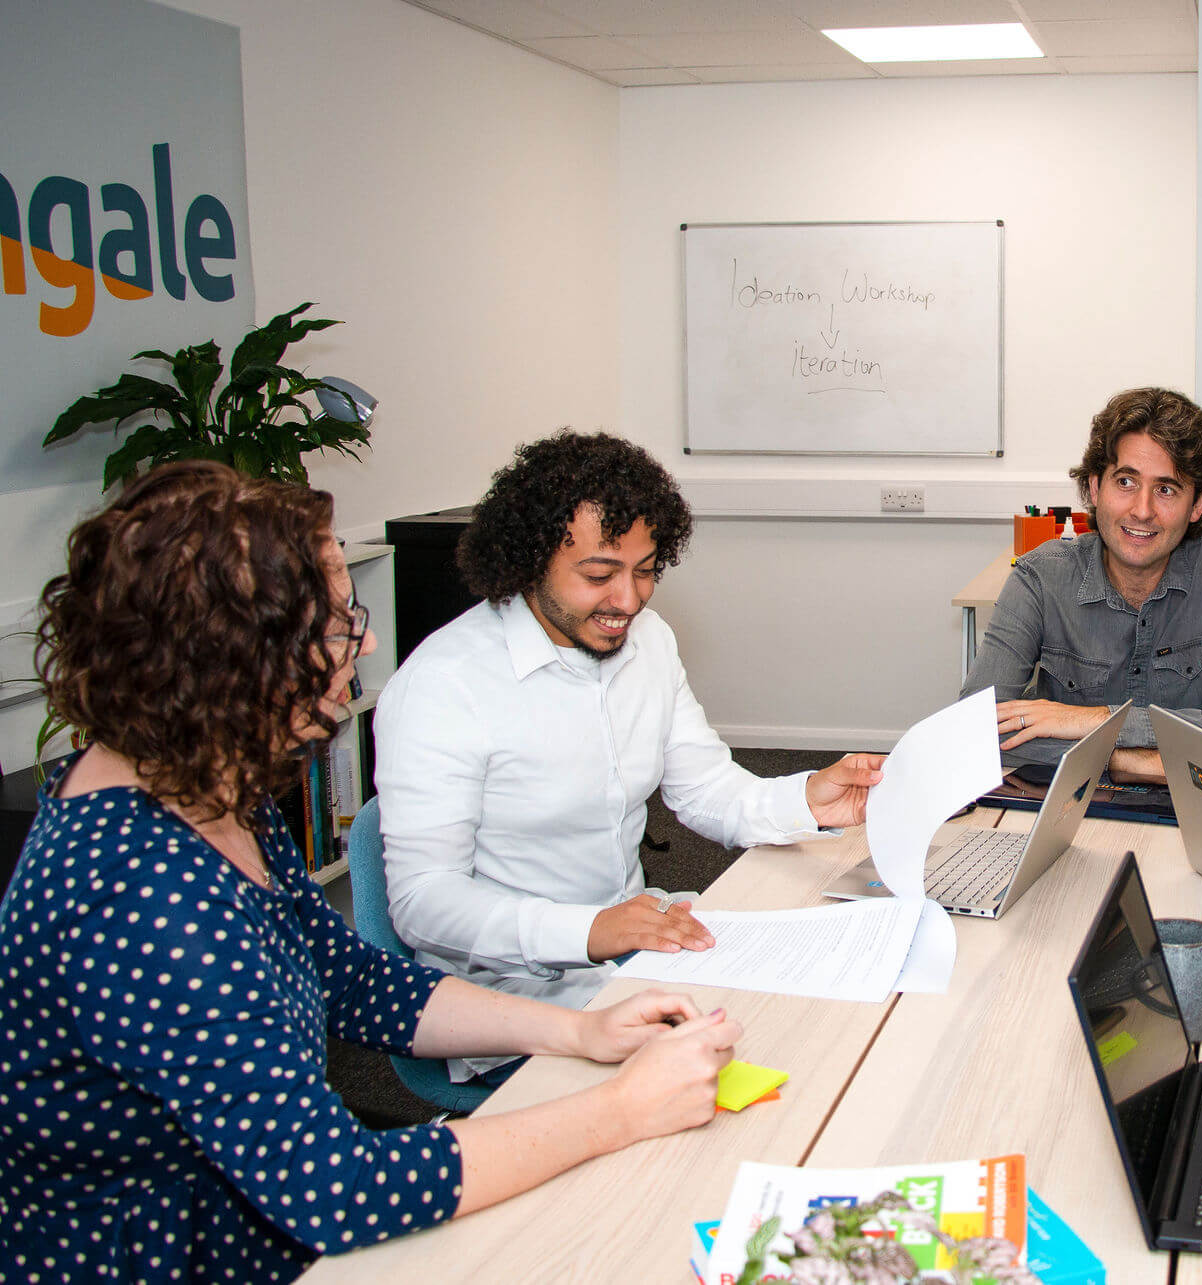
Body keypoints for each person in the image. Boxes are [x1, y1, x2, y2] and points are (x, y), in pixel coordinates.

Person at [0, 462, 745, 1283]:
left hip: (249, 1217)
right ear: (232, 657)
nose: (361, 642)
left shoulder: (206, 788)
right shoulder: (140, 895)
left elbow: (351, 980)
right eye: (334, 624)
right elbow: (340, 1190)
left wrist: (577, 1031)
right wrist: (618, 1110)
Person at [374, 431, 881, 1081]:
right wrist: (590, 929)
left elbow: (703, 789)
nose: (629, 600)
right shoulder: (445, 685)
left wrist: (807, 798)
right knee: (752, 1062)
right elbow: (423, 902)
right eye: (598, 574)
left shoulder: (649, 642)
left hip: (638, 949)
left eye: (645, 570)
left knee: (824, 1008)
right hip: (518, 1000)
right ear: (528, 560)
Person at [962, 386, 1202, 782]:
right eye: (1126, 482)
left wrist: (1094, 722)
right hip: (1072, 811)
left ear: (1198, 505)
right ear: (1096, 488)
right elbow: (975, 729)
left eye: (1166, 489)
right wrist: (1136, 761)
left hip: (1199, 810)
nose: (1143, 510)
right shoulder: (1040, 577)